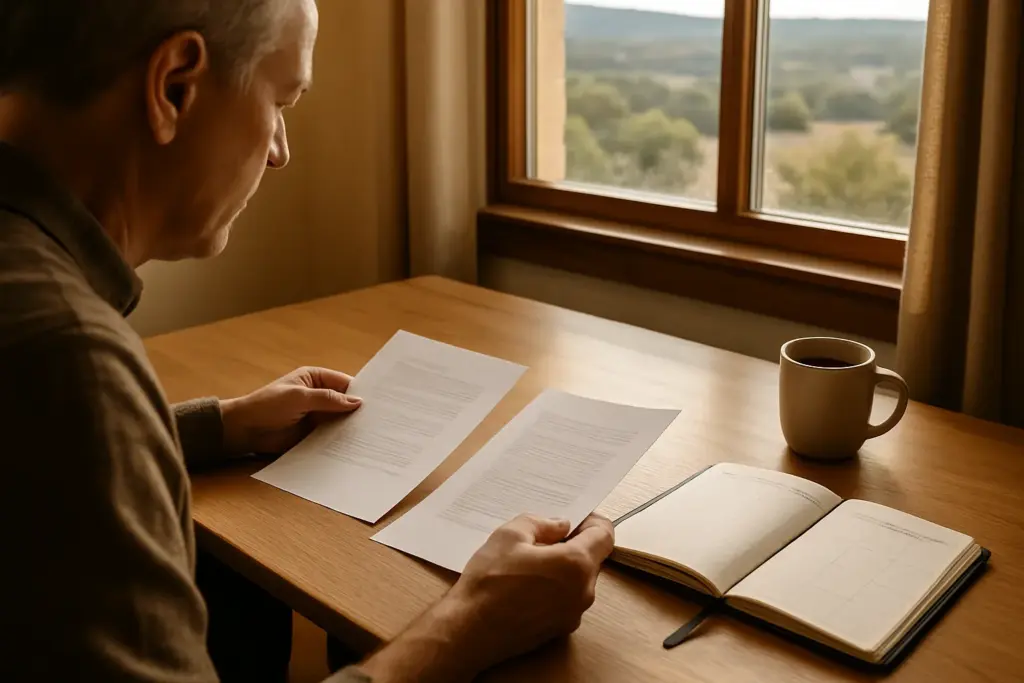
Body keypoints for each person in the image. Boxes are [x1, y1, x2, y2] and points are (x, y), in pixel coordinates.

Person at [0, 1, 615, 682]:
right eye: (280, 100)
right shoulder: (69, 358)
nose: (279, 151)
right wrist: (475, 618)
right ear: (174, 86)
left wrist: (219, 426)